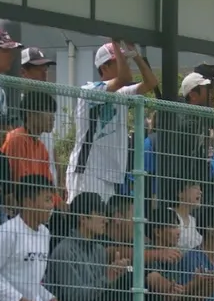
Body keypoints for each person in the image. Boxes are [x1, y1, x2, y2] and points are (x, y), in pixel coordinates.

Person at [66, 41, 158, 204]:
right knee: (84, 220)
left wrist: (135, 55)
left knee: (102, 225)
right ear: (104, 67)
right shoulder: (90, 90)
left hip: (110, 174)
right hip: (87, 171)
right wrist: (115, 42)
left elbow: (151, 83)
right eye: (119, 62)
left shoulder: (121, 93)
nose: (125, 66)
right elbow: (125, 78)